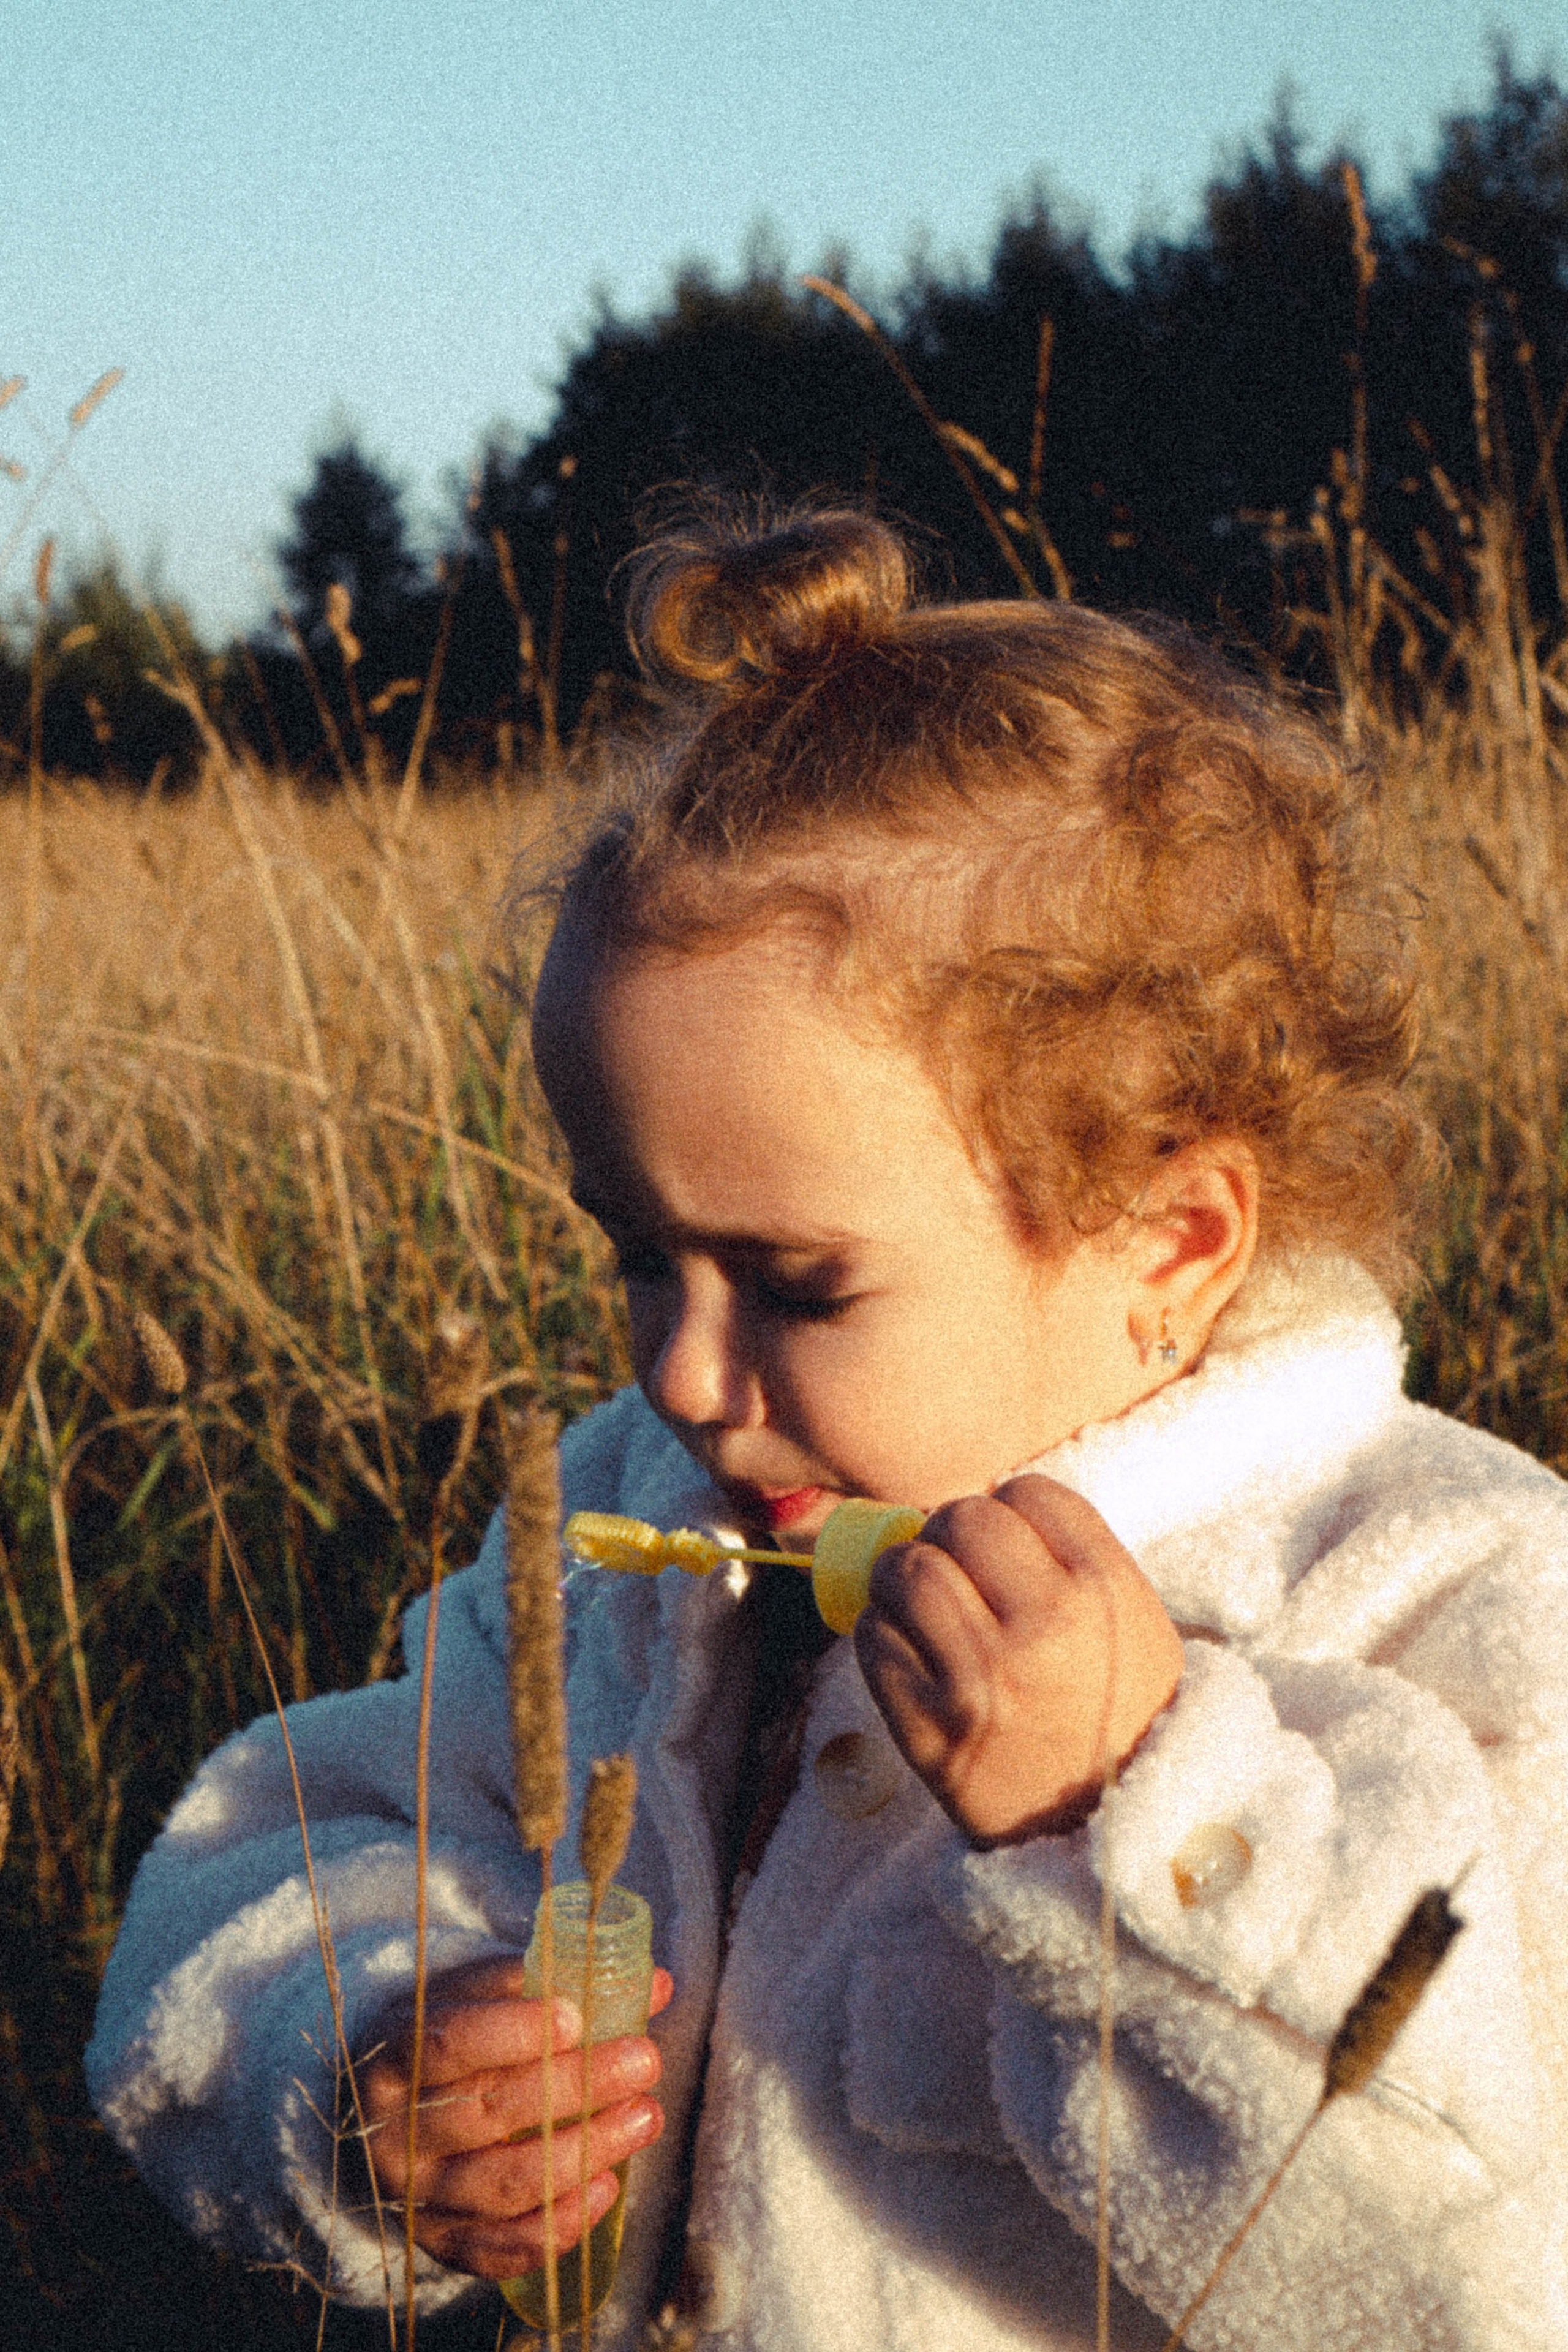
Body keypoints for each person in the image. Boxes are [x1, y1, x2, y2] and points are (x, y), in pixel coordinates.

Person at [88, 508, 1568, 2350]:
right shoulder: (619, 1526)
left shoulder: (1443, 1594)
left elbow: (1481, 2286)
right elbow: (273, 1852)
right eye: (641, 1256)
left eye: (796, 1283)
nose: (687, 1378)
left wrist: (1139, 1818)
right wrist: (369, 2058)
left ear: (1168, 1244)